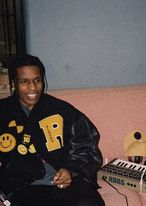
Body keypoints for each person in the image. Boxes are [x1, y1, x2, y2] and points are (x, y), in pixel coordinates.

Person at [0, 55, 105, 206]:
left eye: (37, 80)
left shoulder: (61, 110)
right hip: (24, 186)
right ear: (13, 83)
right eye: (24, 82)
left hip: (66, 184)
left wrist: (71, 170)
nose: (33, 87)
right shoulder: (3, 112)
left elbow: (86, 146)